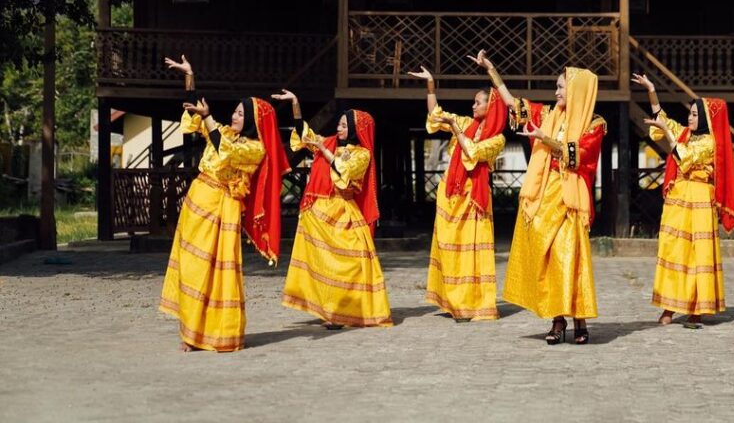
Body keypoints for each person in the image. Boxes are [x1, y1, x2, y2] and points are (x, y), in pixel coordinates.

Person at [471, 50, 605, 345]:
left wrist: (544, 139)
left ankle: (579, 318)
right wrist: (492, 71)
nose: (556, 91)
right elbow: (513, 104)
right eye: (557, 87)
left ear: (577, 90)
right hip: (544, 194)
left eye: (561, 87)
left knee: (570, 257)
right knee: (549, 259)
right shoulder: (546, 115)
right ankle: (557, 319)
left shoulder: (593, 124)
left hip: (570, 198)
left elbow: (580, 156)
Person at [160, 55, 288, 352]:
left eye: (241, 114)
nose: (234, 117)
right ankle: (191, 333)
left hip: (223, 206)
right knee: (191, 266)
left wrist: (207, 117)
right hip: (198, 201)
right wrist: (190, 77)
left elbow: (224, 149)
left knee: (215, 270)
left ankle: (217, 332)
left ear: (254, 121)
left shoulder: (255, 149)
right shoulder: (226, 132)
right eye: (234, 112)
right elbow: (198, 119)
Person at [273, 90, 392, 328]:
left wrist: (325, 151)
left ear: (355, 130)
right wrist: (296, 104)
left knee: (347, 262)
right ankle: (328, 308)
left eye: (343, 126)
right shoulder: (328, 143)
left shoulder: (362, 154)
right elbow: (305, 136)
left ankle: (347, 309)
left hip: (343, 212)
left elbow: (344, 173)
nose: (338, 129)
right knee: (322, 262)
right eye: (338, 125)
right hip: (319, 212)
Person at [633, 73, 734, 328]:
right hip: (678, 199)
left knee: (697, 253)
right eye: (690, 114)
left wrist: (669, 135)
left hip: (701, 198)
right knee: (674, 249)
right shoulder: (685, 134)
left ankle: (696, 309)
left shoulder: (708, 142)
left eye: (694, 114)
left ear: (705, 118)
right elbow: (663, 120)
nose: (689, 118)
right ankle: (669, 306)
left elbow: (685, 157)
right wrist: (651, 91)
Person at [409, 67, 508, 322]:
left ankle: (469, 304)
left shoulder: (497, 139)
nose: (473, 106)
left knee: (469, 251)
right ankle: (452, 300)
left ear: (491, 105)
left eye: (478, 102)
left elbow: (472, 151)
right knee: (448, 247)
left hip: (473, 198)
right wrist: (431, 85)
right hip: (451, 194)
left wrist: (456, 127)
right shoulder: (465, 123)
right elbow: (435, 115)